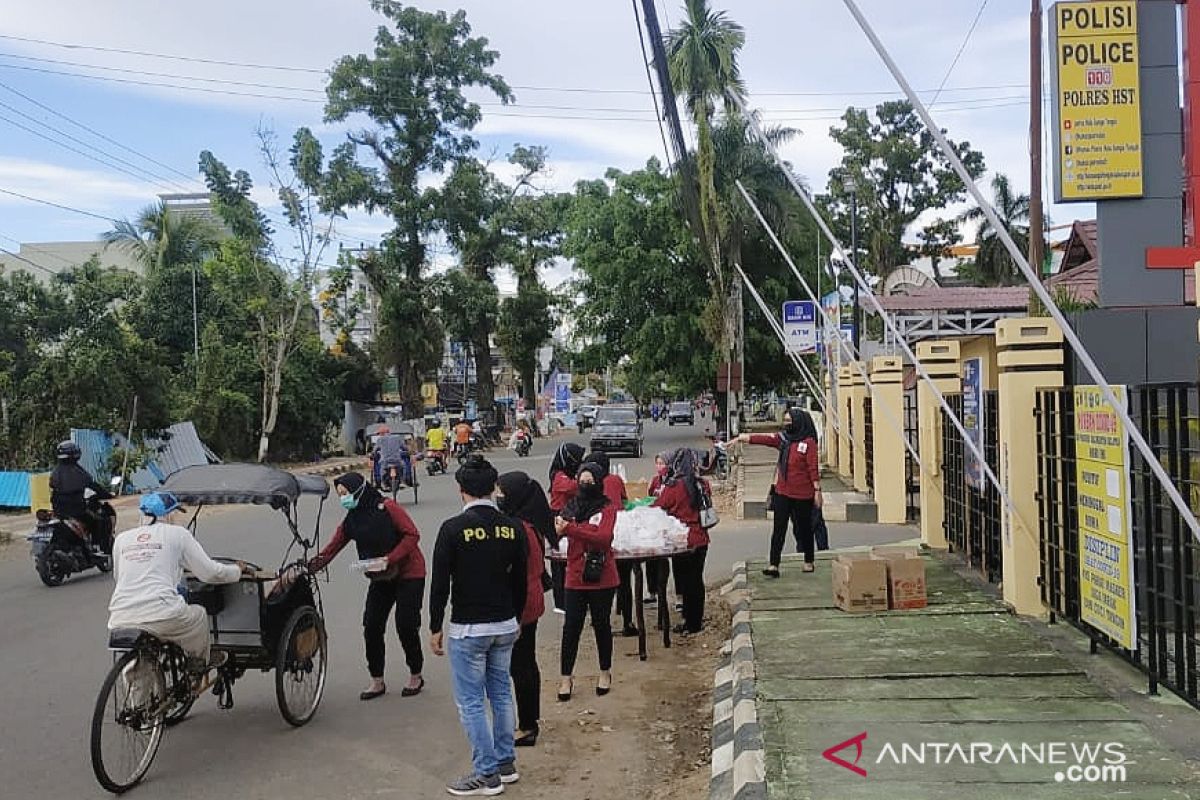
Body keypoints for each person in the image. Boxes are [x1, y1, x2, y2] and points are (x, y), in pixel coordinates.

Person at [429, 456, 528, 796]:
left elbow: (440, 583)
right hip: (504, 625)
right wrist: (514, 618)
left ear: (461, 492)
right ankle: (505, 762)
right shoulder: (512, 527)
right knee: (501, 693)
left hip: (469, 629)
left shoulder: (452, 529)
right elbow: (520, 583)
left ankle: (486, 774)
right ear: (493, 489)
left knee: (471, 702)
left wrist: (434, 625)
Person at [309, 472, 426, 700]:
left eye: (346, 494)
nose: (344, 499)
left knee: (406, 624)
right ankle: (377, 680)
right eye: (340, 495)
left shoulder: (388, 507)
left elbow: (412, 535)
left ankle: (416, 673)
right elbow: (332, 548)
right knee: (372, 625)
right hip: (380, 577)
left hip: (408, 572)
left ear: (359, 490)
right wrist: (309, 567)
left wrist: (389, 559)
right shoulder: (351, 520)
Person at [108, 492, 248, 672]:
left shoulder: (121, 539)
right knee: (198, 615)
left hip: (120, 617)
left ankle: (138, 700)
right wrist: (237, 570)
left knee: (136, 669)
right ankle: (198, 662)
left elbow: (120, 578)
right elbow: (211, 573)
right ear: (166, 515)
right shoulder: (178, 534)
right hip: (163, 615)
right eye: (173, 513)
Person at [553, 461, 618, 701]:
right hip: (575, 575)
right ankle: (565, 677)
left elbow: (603, 538)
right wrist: (573, 529)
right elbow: (559, 528)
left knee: (601, 625)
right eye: (582, 481)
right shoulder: (571, 506)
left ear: (599, 483)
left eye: (590, 481)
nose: (585, 485)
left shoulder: (607, 508)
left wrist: (572, 529)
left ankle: (605, 672)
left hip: (602, 576)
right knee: (571, 627)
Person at [496, 471, 552, 748]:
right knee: (525, 663)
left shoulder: (521, 529)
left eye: (502, 493)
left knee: (522, 666)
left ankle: (527, 725)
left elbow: (523, 572)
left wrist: (514, 615)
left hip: (523, 604)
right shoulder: (529, 523)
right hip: (530, 599)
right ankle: (529, 721)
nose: (498, 498)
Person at [738, 407, 822, 577]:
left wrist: (817, 491)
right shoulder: (784, 439)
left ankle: (808, 560)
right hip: (782, 492)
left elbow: (812, 468)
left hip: (803, 494)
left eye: (789, 421)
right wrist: (744, 438)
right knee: (778, 529)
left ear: (798, 422)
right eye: (785, 421)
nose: (786, 424)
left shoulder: (808, 443)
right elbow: (767, 440)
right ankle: (773, 565)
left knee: (803, 529)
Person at [653, 449, 711, 634]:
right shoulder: (702, 484)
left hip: (682, 541)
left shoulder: (674, 487)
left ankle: (690, 621)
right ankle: (695, 620)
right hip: (701, 539)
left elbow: (659, 506)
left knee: (685, 582)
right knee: (696, 580)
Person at [49, 440, 114, 553]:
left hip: (58, 511)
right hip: (77, 511)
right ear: (74, 454)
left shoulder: (55, 472)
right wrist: (107, 495)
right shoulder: (77, 471)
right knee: (99, 521)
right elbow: (93, 486)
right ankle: (98, 548)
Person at [547, 443, 585, 613]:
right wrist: (584, 480)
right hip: (558, 517)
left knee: (571, 558)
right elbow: (573, 488)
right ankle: (560, 602)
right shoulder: (559, 475)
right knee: (559, 562)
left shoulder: (569, 474)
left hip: (570, 516)